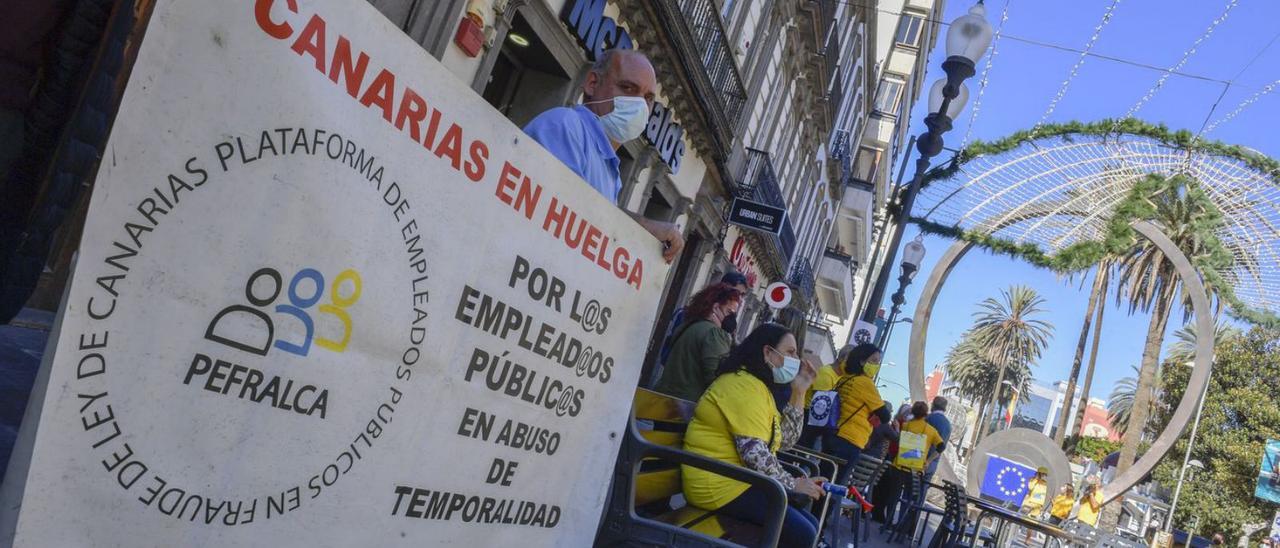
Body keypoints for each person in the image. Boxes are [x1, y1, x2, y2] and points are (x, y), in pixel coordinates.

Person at [523, 49, 683, 263]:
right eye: (627, 88)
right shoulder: (566, 126)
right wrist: (642, 228)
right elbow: (563, 216)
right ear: (592, 83)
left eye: (647, 98)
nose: (639, 106)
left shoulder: (610, 169)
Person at [681, 323, 823, 548]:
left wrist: (799, 391)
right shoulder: (742, 385)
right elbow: (753, 453)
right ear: (768, 352)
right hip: (717, 484)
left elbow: (785, 440)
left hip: (737, 480)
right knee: (802, 533)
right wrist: (792, 483)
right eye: (790, 352)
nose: (796, 359)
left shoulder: (759, 388)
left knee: (810, 524)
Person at [653, 283, 741, 402]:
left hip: (664, 400)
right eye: (729, 312)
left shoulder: (690, 324)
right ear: (715, 308)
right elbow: (716, 378)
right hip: (687, 407)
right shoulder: (714, 334)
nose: (731, 319)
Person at [827, 343, 893, 484]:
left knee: (825, 478)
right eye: (874, 361)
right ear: (862, 361)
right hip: (851, 439)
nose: (876, 365)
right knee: (835, 486)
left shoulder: (845, 378)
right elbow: (885, 415)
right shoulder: (865, 383)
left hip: (832, 433)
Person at [881, 401, 945, 529]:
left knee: (893, 496)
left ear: (913, 412)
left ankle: (887, 523)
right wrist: (928, 461)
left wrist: (898, 429)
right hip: (916, 470)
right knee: (911, 499)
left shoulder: (905, 426)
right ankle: (903, 527)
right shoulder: (931, 431)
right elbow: (941, 446)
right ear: (926, 414)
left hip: (899, 465)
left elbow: (897, 441)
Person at [797, 345, 848, 450]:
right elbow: (820, 404)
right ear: (842, 358)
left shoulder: (839, 377)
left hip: (817, 419)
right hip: (809, 416)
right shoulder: (827, 374)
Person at [924, 396, 952, 483]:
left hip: (922, 459)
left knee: (911, 490)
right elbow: (942, 446)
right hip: (934, 462)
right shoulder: (948, 424)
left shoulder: (928, 419)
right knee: (923, 489)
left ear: (933, 405)